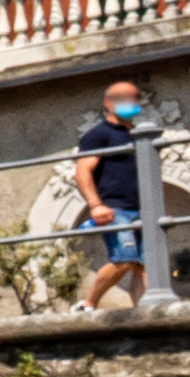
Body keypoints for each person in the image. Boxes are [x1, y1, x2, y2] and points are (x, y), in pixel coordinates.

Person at [73, 79, 154, 309]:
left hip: (141, 208)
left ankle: (143, 314)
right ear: (108, 103)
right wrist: (96, 205)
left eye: (134, 98)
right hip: (115, 209)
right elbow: (82, 171)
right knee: (125, 260)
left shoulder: (136, 136)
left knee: (144, 266)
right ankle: (88, 304)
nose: (131, 103)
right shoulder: (99, 134)